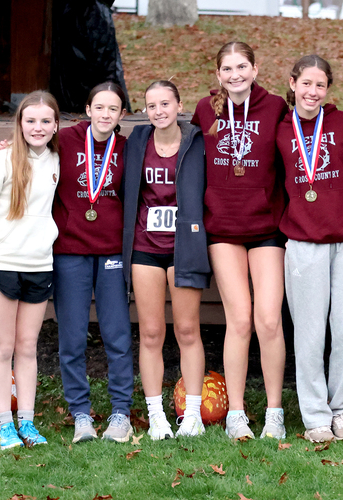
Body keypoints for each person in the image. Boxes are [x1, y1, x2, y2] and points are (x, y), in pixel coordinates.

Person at [191, 41, 289, 440]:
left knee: (268, 320)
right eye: (228, 69)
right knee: (240, 320)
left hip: (266, 227)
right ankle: (235, 413)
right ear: (218, 74)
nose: (236, 75)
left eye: (242, 66)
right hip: (223, 229)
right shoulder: (205, 108)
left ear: (256, 67)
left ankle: (274, 413)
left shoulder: (276, 106)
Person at [276, 55, 343, 443]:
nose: (312, 92)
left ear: (328, 89)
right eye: (306, 83)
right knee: (310, 335)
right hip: (303, 243)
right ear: (293, 83)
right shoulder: (280, 130)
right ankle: (315, 415)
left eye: (320, 85)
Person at [0, 91, 61, 450]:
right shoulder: (0, 162)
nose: (37, 128)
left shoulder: (57, 159)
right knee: (3, 346)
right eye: (30, 121)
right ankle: (5, 426)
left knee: (27, 347)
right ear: (19, 123)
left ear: (55, 125)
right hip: (1, 266)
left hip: (40, 264)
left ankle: (27, 421)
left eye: (45, 121)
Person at [121, 80, 210, 440]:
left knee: (188, 330)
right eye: (152, 105)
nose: (159, 111)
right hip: (145, 247)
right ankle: (156, 413)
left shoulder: (197, 142)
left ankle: (192, 414)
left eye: (165, 104)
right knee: (152, 332)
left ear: (179, 105)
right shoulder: (137, 142)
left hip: (184, 248)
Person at [53, 82, 134, 443]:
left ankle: (121, 412)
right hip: (70, 250)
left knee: (117, 335)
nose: (105, 115)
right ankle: (80, 414)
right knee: (71, 337)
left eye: (113, 109)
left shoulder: (128, 148)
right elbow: (29, 148)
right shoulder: (64, 140)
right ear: (88, 109)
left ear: (121, 115)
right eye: (99, 107)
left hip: (112, 251)